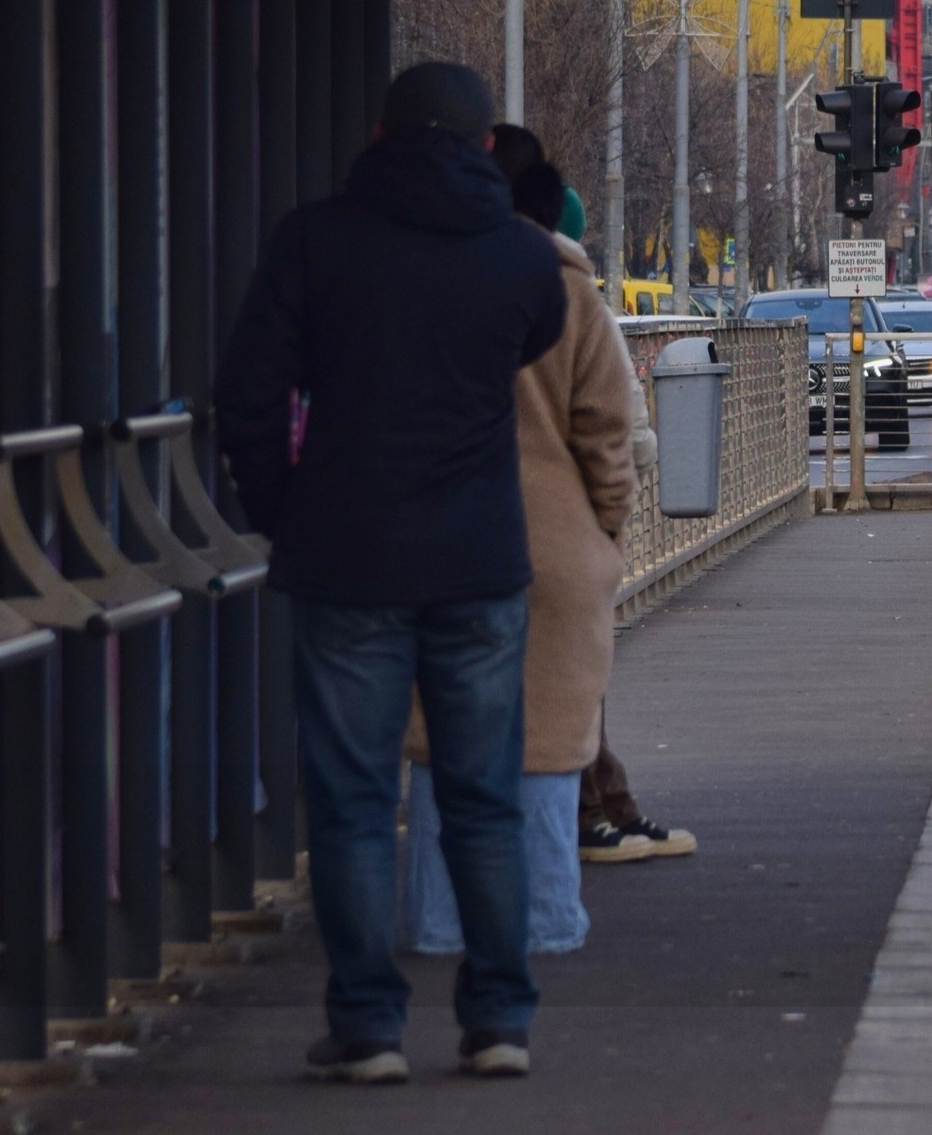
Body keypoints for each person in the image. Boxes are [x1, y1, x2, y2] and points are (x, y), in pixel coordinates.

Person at [216, 62, 565, 1084]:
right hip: (479, 565)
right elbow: (532, 341)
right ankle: (499, 1019)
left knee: (356, 801)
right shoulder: (518, 256)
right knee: (483, 798)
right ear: (483, 145)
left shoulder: (315, 241)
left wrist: (283, 511)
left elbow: (248, 392)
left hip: (347, 560)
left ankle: (367, 1028)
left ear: (377, 134)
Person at [399, 156, 643, 951]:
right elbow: (609, 432)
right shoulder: (568, 290)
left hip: (437, 542)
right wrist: (604, 536)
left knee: (440, 744)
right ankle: (542, 921)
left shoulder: (419, 279)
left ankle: (441, 923)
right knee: (548, 746)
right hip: (555, 545)